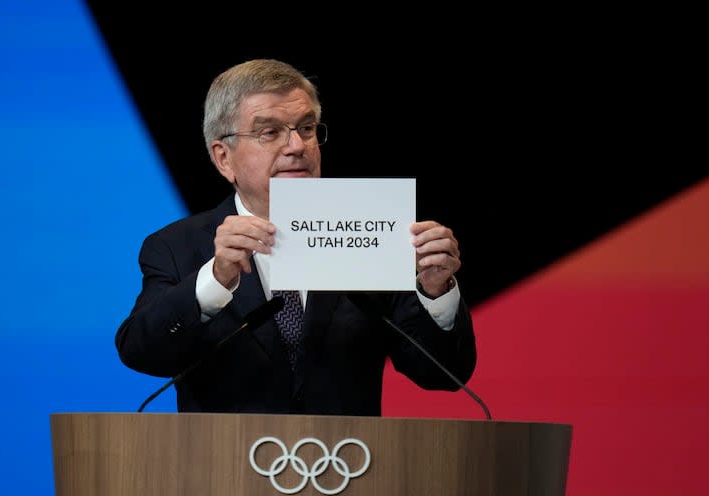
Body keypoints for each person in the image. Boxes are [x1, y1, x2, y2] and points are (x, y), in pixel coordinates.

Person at [116, 58, 477, 415]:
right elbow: (141, 352)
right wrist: (214, 279)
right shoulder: (176, 247)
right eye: (269, 132)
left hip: (348, 464)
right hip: (222, 466)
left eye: (306, 128)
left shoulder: (368, 233)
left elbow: (443, 373)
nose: (296, 146)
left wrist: (435, 291)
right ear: (223, 158)